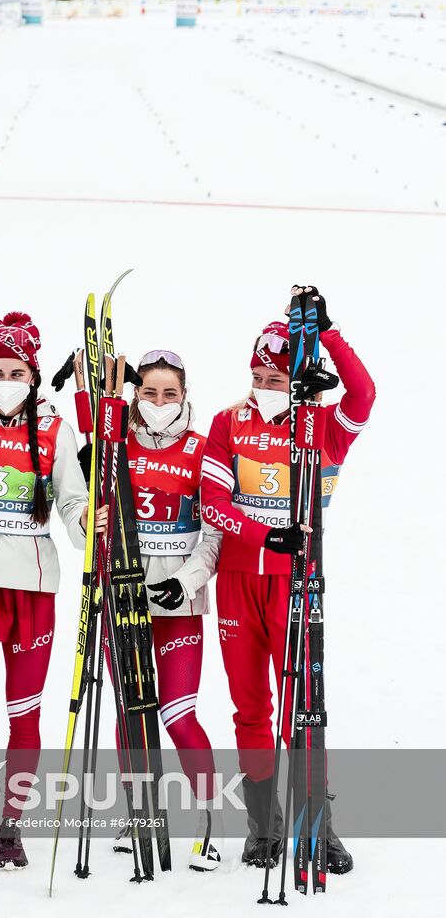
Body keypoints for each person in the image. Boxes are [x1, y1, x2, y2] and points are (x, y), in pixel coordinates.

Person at [200, 285, 375, 873]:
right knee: (250, 709)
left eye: (276, 379)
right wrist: (262, 535)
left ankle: (316, 825)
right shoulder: (227, 423)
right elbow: (212, 501)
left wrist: (328, 333)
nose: (264, 387)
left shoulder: (322, 425)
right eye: (258, 376)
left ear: (297, 382)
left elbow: (365, 393)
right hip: (237, 583)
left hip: (298, 586)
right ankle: (262, 827)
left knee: (306, 707)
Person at [0, 311, 106, 870]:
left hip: (31, 588)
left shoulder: (55, 429)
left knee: (23, 714)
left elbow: (72, 500)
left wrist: (89, 526)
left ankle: (12, 821)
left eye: (16, 370)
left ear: (34, 374)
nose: (5, 378)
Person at [111, 349, 223, 871]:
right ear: (136, 396)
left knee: (178, 714)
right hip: (125, 598)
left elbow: (213, 535)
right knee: (132, 710)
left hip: (178, 601)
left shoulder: (202, 450)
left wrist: (186, 580)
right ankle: (137, 812)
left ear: (184, 397)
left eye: (169, 393)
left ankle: (209, 821)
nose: (159, 402)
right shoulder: (117, 444)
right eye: (149, 393)